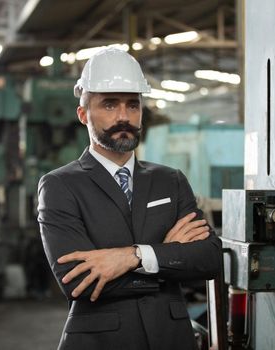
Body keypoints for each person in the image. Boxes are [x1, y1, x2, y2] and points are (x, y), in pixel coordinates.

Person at [37, 47, 222, 350]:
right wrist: (169, 255)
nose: (124, 117)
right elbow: (78, 282)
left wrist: (131, 256)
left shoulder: (170, 180)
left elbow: (210, 260)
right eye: (109, 105)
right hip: (101, 341)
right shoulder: (60, 186)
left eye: (132, 105)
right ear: (83, 114)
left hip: (171, 338)